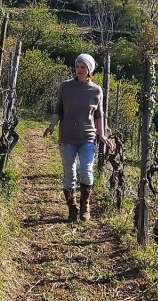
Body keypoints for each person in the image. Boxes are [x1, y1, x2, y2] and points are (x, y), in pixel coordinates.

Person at [43, 53, 113, 222]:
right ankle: (72, 209)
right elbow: (58, 110)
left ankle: (85, 205)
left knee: (86, 171)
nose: (79, 70)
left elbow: (99, 114)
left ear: (89, 70)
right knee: (69, 173)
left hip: (87, 137)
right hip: (67, 137)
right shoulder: (65, 87)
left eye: (83, 67)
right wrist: (52, 125)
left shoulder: (96, 90)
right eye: (77, 66)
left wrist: (101, 134)